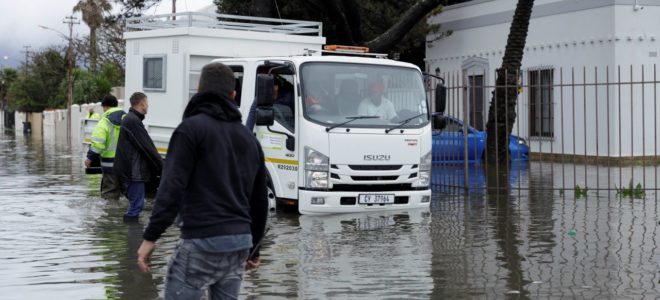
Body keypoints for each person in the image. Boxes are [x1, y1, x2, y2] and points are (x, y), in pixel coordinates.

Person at [137, 62, 269, 299]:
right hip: (238, 243)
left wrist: (151, 237)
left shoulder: (190, 130)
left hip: (202, 240)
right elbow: (260, 202)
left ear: (198, 90)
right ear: (233, 95)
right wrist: (254, 249)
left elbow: (171, 188)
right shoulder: (249, 140)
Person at [113, 92, 163, 222]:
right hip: (134, 173)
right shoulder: (133, 121)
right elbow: (148, 148)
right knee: (137, 206)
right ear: (141, 104)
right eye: (147, 103)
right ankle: (133, 238)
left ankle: (132, 237)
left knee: (136, 205)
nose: (148, 106)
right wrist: (164, 167)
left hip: (132, 172)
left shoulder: (131, 119)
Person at [85, 95, 126, 200]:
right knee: (125, 195)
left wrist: (89, 158)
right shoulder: (128, 119)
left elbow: (97, 144)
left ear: (105, 107)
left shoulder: (104, 122)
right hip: (126, 166)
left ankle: (110, 216)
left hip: (110, 166)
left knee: (109, 196)